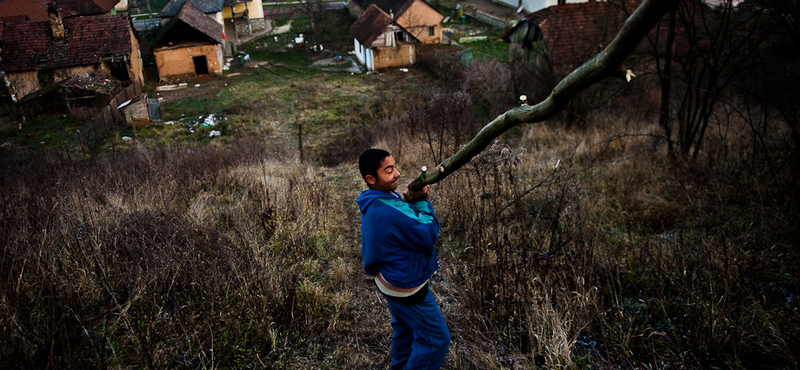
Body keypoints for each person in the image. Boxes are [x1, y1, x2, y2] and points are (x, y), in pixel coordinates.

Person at [356, 149, 450, 370]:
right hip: (406, 287)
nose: (397, 173)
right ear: (371, 179)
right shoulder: (388, 209)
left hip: (388, 280)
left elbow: (399, 218)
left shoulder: (375, 199)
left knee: (405, 331)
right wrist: (421, 201)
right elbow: (428, 232)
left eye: (395, 167)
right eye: (389, 171)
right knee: (436, 340)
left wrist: (408, 200)